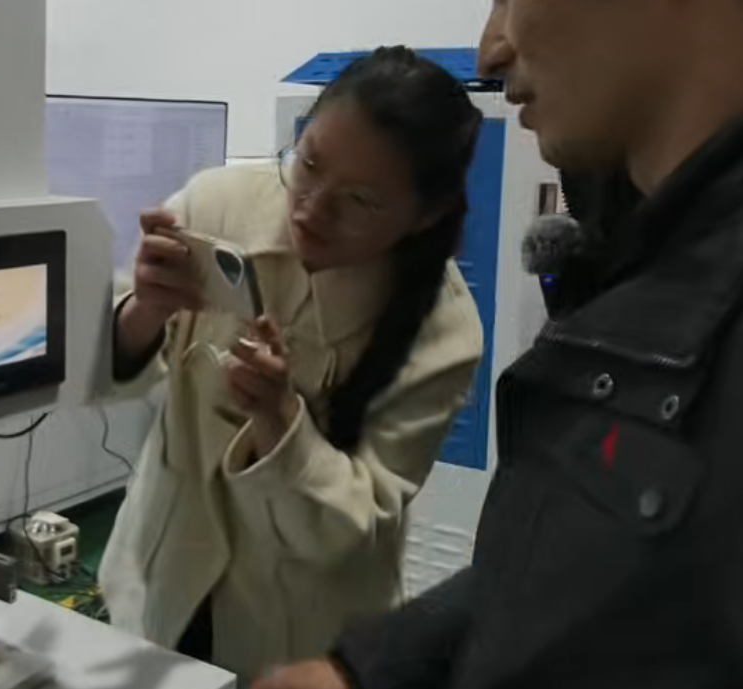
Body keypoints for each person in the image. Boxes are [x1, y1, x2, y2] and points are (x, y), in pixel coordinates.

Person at [256, 1, 743, 688]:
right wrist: (365, 669)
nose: (490, 50)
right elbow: (565, 574)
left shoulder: (451, 324)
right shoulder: (643, 257)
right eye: (308, 164)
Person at [98, 47, 485, 682]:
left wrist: (281, 422)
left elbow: (353, 524)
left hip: (298, 635)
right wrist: (146, 306)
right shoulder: (219, 205)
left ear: (427, 215)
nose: (311, 209)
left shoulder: (443, 332)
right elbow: (103, 367)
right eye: (308, 164)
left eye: (360, 199)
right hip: (160, 578)